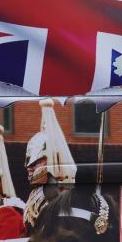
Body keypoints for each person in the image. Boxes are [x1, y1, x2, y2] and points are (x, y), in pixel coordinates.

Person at [23, 98, 77, 230]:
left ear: (53, 158)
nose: (29, 168)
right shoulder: (36, 193)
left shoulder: (65, 193)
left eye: (36, 162)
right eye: (29, 163)